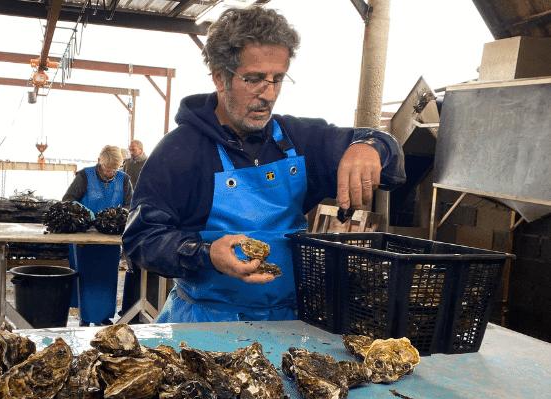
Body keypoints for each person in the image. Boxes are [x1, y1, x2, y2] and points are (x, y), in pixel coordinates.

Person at [121, 6, 405, 324]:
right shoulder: (180, 152)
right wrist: (205, 253)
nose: (268, 94)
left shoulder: (300, 139)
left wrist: (369, 146)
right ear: (219, 77)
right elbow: (140, 239)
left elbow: (391, 161)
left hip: (289, 323)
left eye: (277, 79)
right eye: (254, 79)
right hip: (202, 323)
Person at [62, 145, 133, 326]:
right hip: (84, 239)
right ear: (100, 161)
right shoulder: (84, 176)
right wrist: (85, 213)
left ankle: (104, 317)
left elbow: (130, 206)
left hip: (110, 240)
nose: (111, 173)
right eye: (108, 168)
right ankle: (85, 318)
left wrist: (118, 216)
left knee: (107, 279)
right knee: (86, 279)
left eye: (115, 168)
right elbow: (68, 200)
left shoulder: (124, 179)